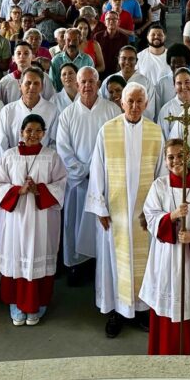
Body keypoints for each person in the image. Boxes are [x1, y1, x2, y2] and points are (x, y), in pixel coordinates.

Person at [83, 82, 165, 337]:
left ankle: (141, 310)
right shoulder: (108, 131)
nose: (134, 106)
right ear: (122, 102)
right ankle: (115, 312)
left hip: (145, 216)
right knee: (112, 263)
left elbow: (162, 174)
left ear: (147, 104)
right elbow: (96, 170)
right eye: (130, 101)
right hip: (115, 215)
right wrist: (100, 208)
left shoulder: (155, 132)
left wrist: (158, 210)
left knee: (144, 263)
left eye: (140, 101)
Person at [140, 137, 190, 354]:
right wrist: (172, 216)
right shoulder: (159, 186)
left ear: (189, 157)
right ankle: (165, 353)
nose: (176, 161)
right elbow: (150, 216)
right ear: (165, 162)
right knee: (168, 307)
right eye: (171, 157)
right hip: (167, 258)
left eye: (180, 155)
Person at [0, 113, 68, 326]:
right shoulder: (9, 156)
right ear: (21, 132)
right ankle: (16, 304)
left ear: (44, 133)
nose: (33, 135)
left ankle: (38, 303)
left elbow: (61, 183)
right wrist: (18, 190)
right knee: (15, 257)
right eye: (28, 131)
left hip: (41, 218)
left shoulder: (51, 156)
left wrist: (39, 191)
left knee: (38, 255)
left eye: (38, 131)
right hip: (15, 219)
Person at [55, 66, 122, 284]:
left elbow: (118, 143)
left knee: (103, 224)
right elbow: (63, 149)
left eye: (91, 81)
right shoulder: (68, 114)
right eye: (83, 82)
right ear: (76, 84)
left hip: (106, 182)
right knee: (75, 223)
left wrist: (101, 175)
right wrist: (84, 172)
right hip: (79, 182)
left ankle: (101, 266)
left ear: (98, 83)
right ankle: (77, 266)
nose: (87, 86)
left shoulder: (112, 110)